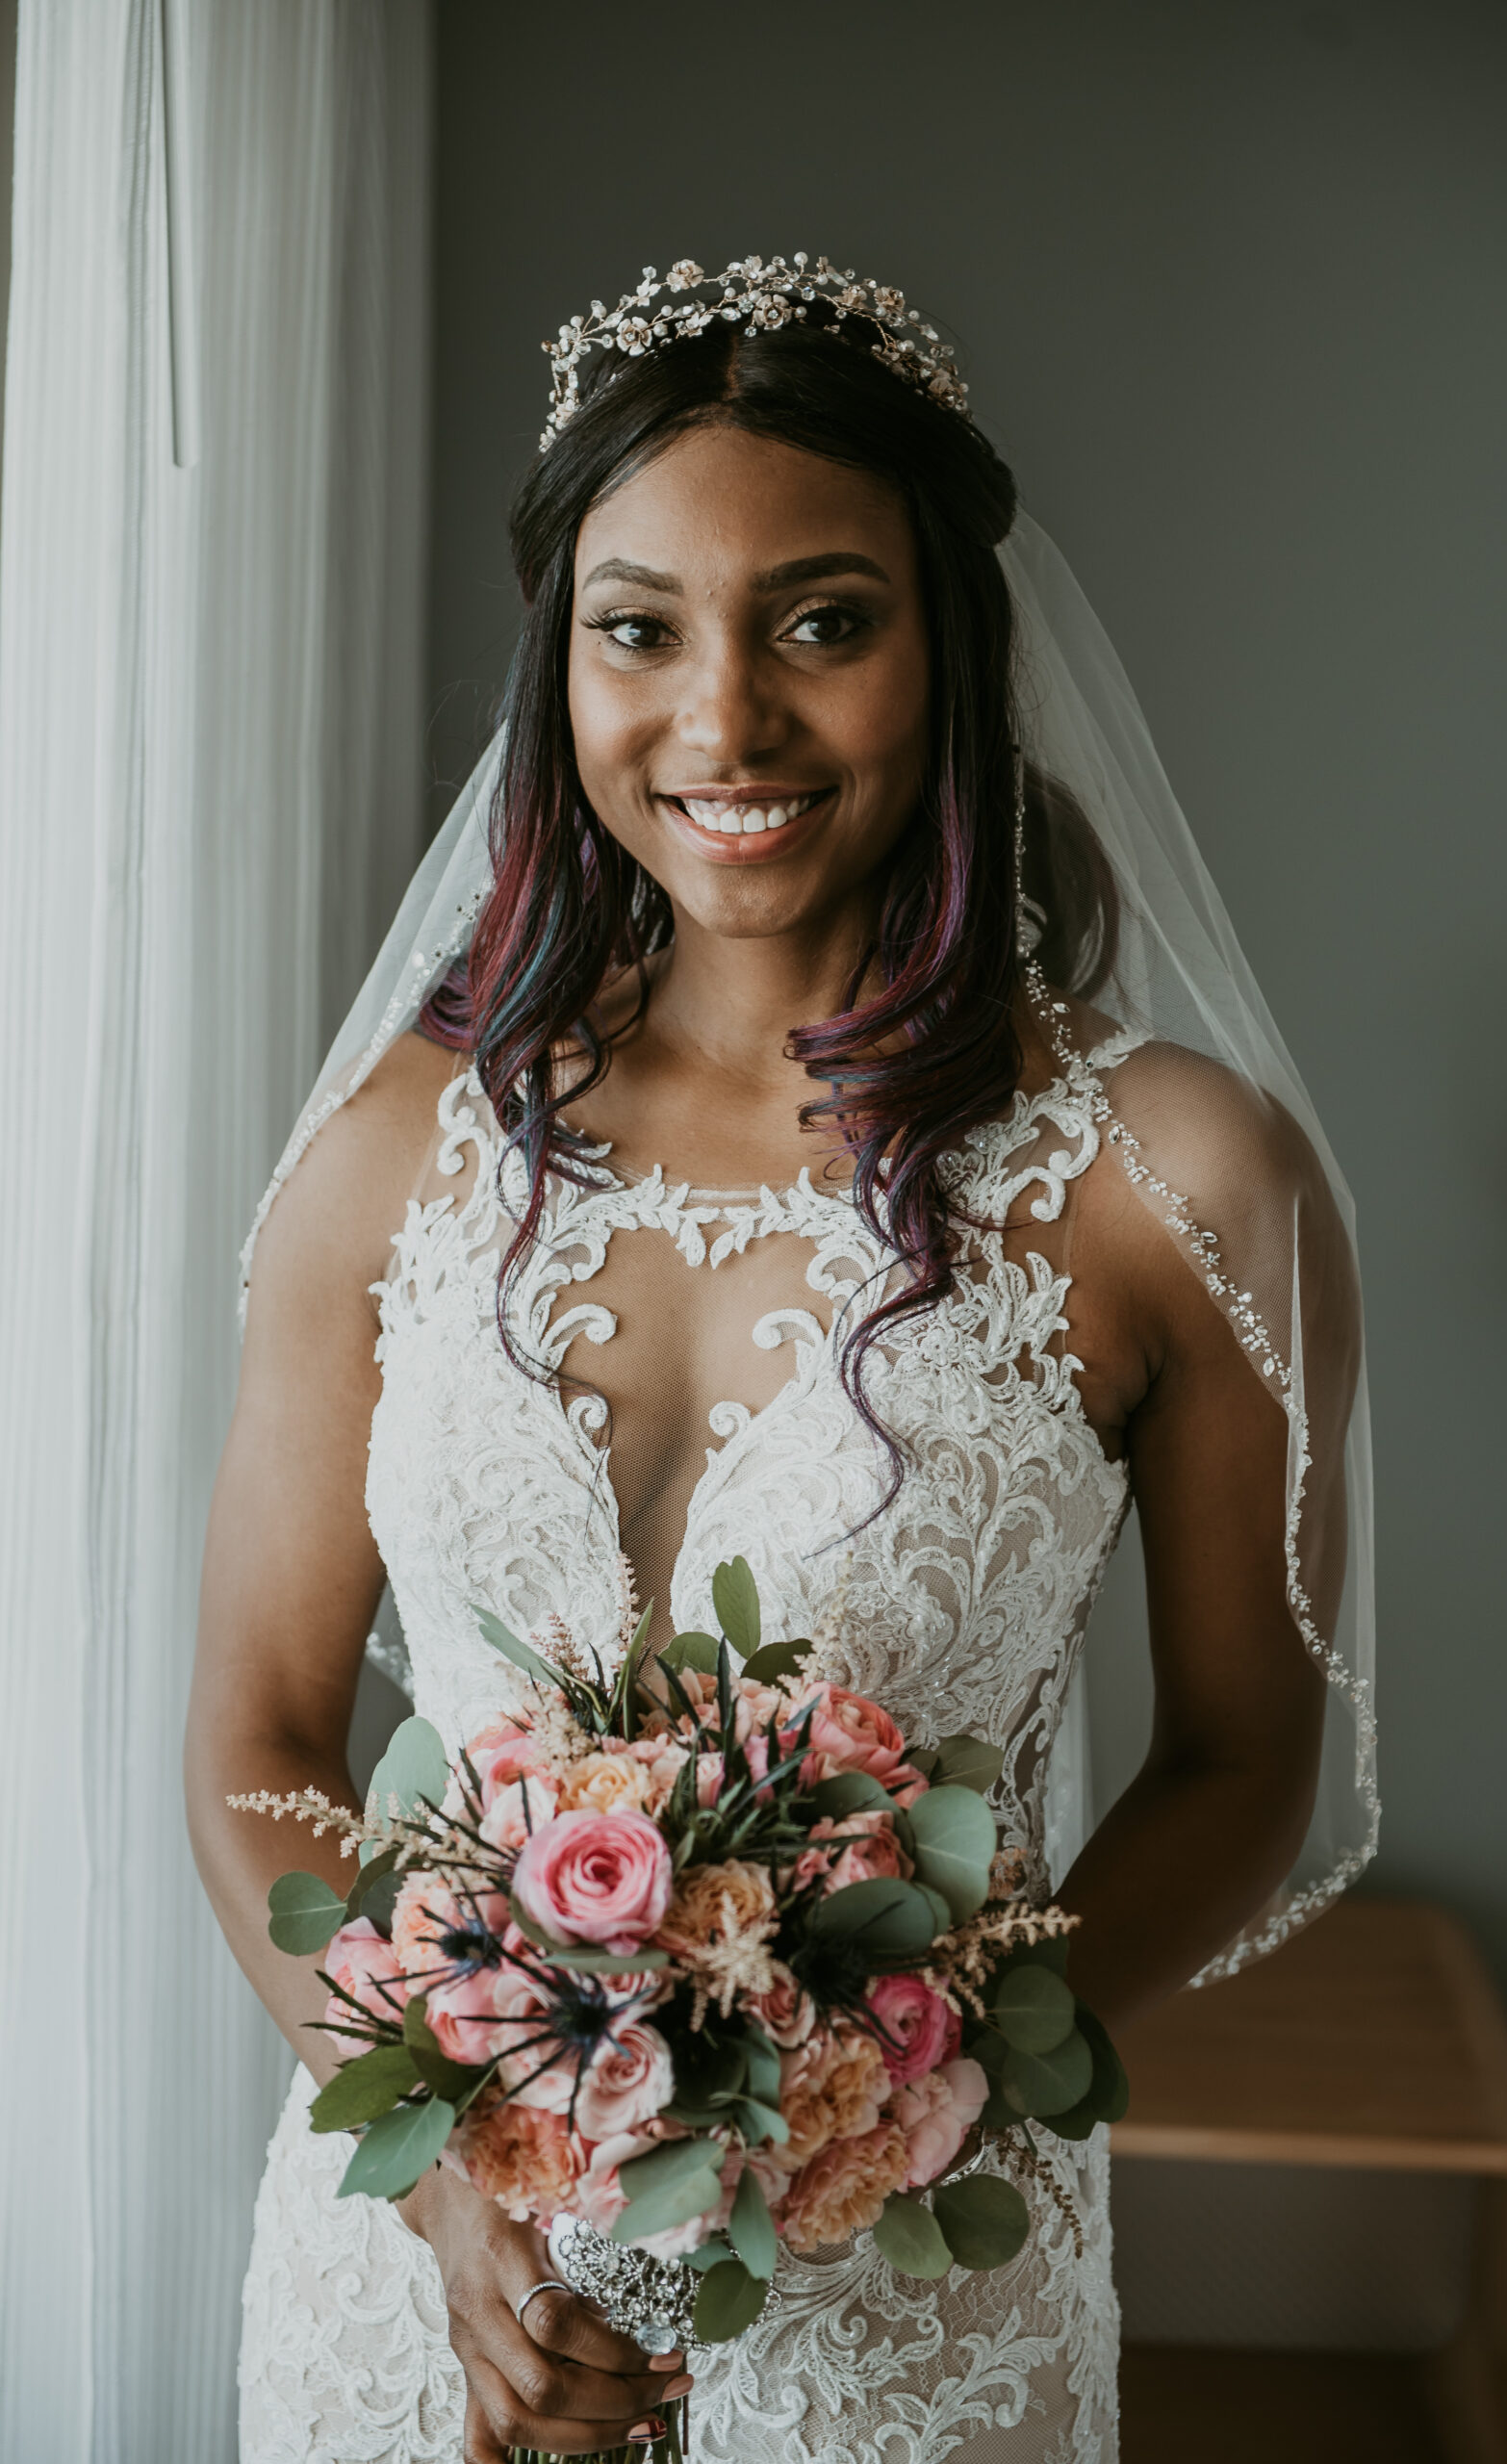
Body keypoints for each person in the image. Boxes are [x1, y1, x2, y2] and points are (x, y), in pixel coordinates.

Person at [187, 256, 1376, 2464]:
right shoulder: (388, 1159)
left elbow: (1243, 1757)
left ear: (949, 649)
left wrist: (906, 2070)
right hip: (427, 2294)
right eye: (639, 628)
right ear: (563, 664)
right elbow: (258, 1736)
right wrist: (447, 2153)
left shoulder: (1175, 1176)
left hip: (905, 2287)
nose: (723, 719)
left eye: (822, 619)